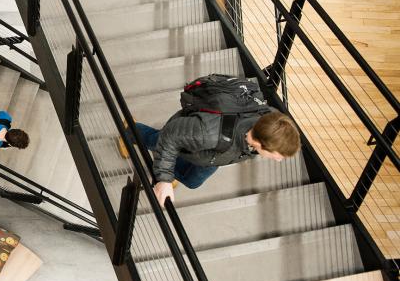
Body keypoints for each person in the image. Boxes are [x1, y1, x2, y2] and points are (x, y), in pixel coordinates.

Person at [120, 75, 301, 207]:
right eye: (277, 155)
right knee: (155, 140)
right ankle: (129, 130)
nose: (278, 160)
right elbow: (170, 137)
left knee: (192, 181)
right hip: (190, 135)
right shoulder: (208, 133)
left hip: (216, 155)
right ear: (261, 144)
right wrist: (164, 180)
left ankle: (171, 167)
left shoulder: (268, 120)